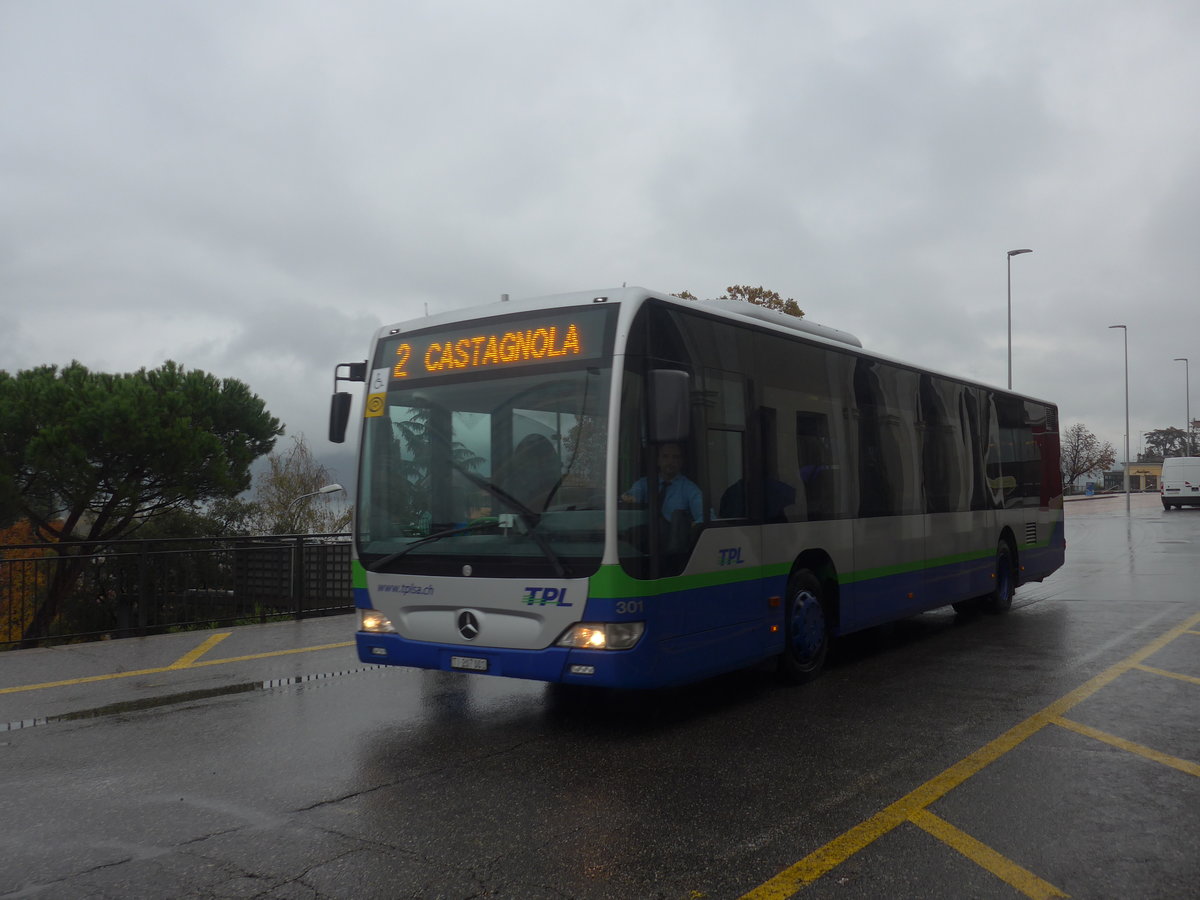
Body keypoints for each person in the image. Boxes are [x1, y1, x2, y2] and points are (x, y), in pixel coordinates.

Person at [622, 442, 703, 523]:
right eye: (665, 456)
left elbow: (704, 517)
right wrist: (630, 498)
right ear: (658, 461)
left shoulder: (690, 489)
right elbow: (632, 496)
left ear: (681, 462)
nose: (670, 461)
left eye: (675, 457)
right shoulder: (644, 483)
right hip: (645, 532)